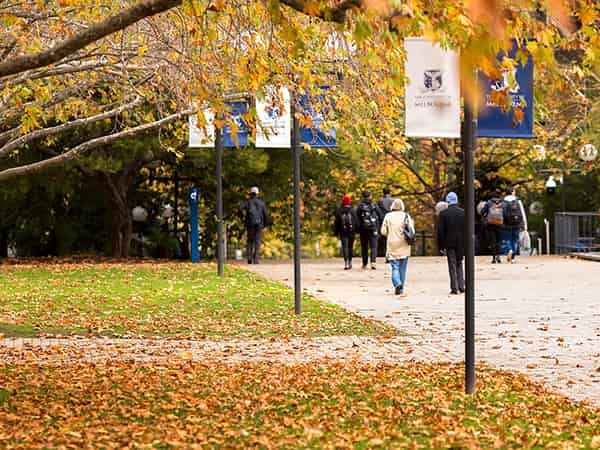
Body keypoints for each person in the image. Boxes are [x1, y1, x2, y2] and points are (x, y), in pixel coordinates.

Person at [380, 199, 414, 296]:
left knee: (395, 267)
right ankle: (401, 288)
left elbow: (383, 231)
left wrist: (389, 233)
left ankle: (397, 284)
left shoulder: (388, 216)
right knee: (402, 268)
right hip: (404, 244)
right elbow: (412, 231)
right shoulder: (406, 216)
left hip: (392, 244)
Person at [437, 192, 465, 295]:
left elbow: (440, 232)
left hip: (449, 243)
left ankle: (454, 287)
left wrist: (441, 246)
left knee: (452, 264)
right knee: (459, 262)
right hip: (461, 242)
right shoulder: (463, 212)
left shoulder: (443, 214)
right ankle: (461, 285)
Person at [239, 186, 269, 264]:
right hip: (259, 224)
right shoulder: (261, 203)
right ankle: (256, 259)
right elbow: (266, 214)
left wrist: (242, 217)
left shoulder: (247, 202)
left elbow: (240, 209)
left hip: (250, 223)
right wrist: (265, 224)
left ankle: (249, 258)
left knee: (250, 240)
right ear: (257, 194)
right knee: (257, 241)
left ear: (250, 193)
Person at [334, 194, 359, 270]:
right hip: (352, 231)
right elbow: (356, 221)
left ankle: (346, 262)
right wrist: (357, 230)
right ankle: (350, 261)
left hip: (343, 231)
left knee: (345, 247)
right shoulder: (353, 210)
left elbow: (337, 223)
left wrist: (336, 232)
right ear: (349, 202)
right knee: (350, 247)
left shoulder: (339, 210)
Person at [356, 191, 380, 270]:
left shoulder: (360, 206)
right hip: (373, 228)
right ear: (370, 196)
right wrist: (378, 226)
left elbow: (357, 218)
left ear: (362, 197)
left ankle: (365, 263)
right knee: (374, 246)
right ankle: (373, 262)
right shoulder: (374, 205)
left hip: (363, 229)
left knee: (364, 247)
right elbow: (380, 215)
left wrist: (358, 229)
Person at [503, 186, 526, 264]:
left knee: (507, 239)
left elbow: (502, 214)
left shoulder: (503, 202)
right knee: (515, 240)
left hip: (506, 224)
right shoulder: (518, 201)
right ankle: (513, 258)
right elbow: (522, 213)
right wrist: (524, 224)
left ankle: (509, 250)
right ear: (512, 192)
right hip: (517, 223)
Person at [481, 189, 505, 264]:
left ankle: (494, 257)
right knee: (499, 241)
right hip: (500, 223)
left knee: (493, 241)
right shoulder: (502, 203)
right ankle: (498, 256)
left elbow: (482, 211)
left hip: (491, 224)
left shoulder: (489, 202)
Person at [377, 187, 395, 257]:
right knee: (391, 237)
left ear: (383, 192)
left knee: (383, 237)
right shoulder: (393, 201)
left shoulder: (380, 201)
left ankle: (383, 253)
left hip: (383, 220)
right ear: (389, 192)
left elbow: (378, 212)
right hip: (392, 221)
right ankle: (390, 254)